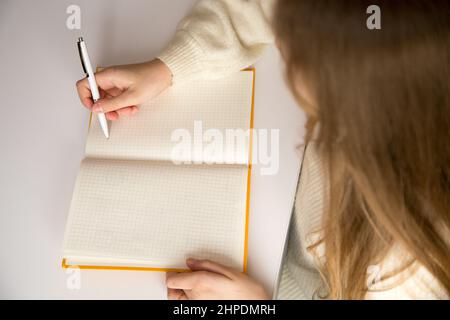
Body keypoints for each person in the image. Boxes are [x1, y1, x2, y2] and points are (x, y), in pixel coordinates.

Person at [76, 0, 450, 299]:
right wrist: (167, 68)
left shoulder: (408, 274)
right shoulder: (387, 65)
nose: (281, 40)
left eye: (296, 48)